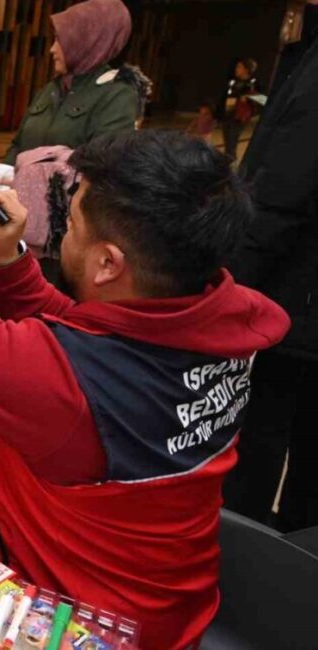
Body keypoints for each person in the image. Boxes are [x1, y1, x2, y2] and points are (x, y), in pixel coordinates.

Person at [0, 121, 289, 649]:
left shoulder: (64, 384)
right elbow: (87, 334)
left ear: (108, 263)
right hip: (169, 613)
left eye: (70, 226)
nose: (63, 233)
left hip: (66, 626)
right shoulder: (220, 326)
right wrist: (11, 260)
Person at [224, 8, 318, 532]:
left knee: (265, 434)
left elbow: (283, 192)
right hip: (296, 289)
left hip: (294, 294)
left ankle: (259, 558)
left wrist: (230, 284)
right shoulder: (304, 52)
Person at [3, 0, 138, 164]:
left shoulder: (117, 96)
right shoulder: (52, 88)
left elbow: (103, 166)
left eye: (60, 40)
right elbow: (17, 145)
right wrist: (2, 177)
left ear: (87, 42)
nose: (52, 49)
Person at [219, 58, 259, 161]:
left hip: (239, 117)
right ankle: (228, 164)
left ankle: (230, 167)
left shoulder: (253, 83)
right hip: (228, 114)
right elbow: (226, 97)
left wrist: (249, 97)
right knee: (228, 143)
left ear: (246, 70)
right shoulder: (233, 81)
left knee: (231, 143)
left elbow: (262, 99)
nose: (236, 69)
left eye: (239, 67)